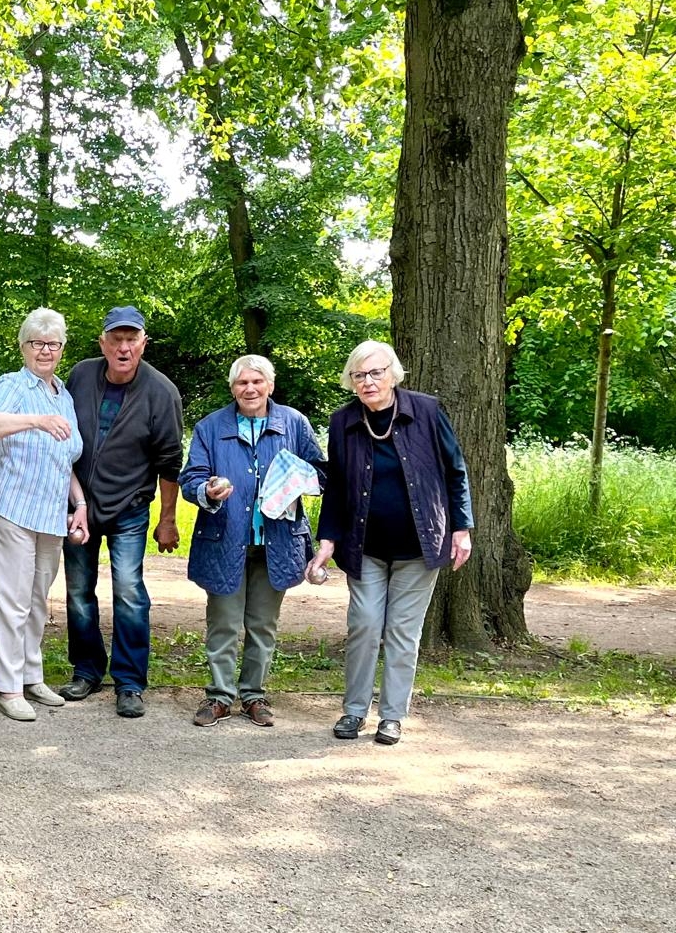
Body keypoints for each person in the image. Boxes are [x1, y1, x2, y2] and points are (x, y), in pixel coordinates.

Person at [309, 339, 474, 746]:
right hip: (364, 546)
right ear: (351, 381)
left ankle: (393, 716)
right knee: (363, 626)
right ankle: (353, 710)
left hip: (420, 545)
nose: (368, 382)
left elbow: (456, 471)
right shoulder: (342, 422)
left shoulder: (427, 411)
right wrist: (327, 540)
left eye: (376, 373)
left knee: (403, 631)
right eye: (359, 375)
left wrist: (462, 529)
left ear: (393, 373)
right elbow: (336, 489)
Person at [179, 355, 326, 728]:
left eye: (257, 382)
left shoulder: (294, 423)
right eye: (242, 383)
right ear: (233, 388)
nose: (250, 389)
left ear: (270, 386)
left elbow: (321, 473)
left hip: (277, 540)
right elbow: (190, 478)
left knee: (263, 624)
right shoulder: (211, 427)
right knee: (224, 623)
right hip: (225, 538)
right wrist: (208, 490)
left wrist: (300, 480)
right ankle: (219, 696)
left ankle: (254, 695)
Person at [57, 306, 183, 718]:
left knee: (129, 593)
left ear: (144, 343)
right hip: (78, 507)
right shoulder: (80, 375)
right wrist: (76, 501)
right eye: (116, 339)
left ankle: (129, 682)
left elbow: (169, 464)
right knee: (78, 593)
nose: (124, 347)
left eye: (132, 339)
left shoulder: (162, 393)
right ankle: (86, 670)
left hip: (130, 508)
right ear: (103, 343)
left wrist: (167, 520)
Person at [0, 308, 88, 722]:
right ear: (24, 347)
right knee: (12, 599)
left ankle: (30, 674)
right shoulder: (13, 384)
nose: (46, 350)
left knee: (39, 599)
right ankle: (7, 687)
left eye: (53, 343)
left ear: (62, 349)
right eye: (37, 343)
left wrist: (81, 504)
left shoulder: (64, 394)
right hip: (12, 508)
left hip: (50, 512)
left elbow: (66, 458)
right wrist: (35, 420)